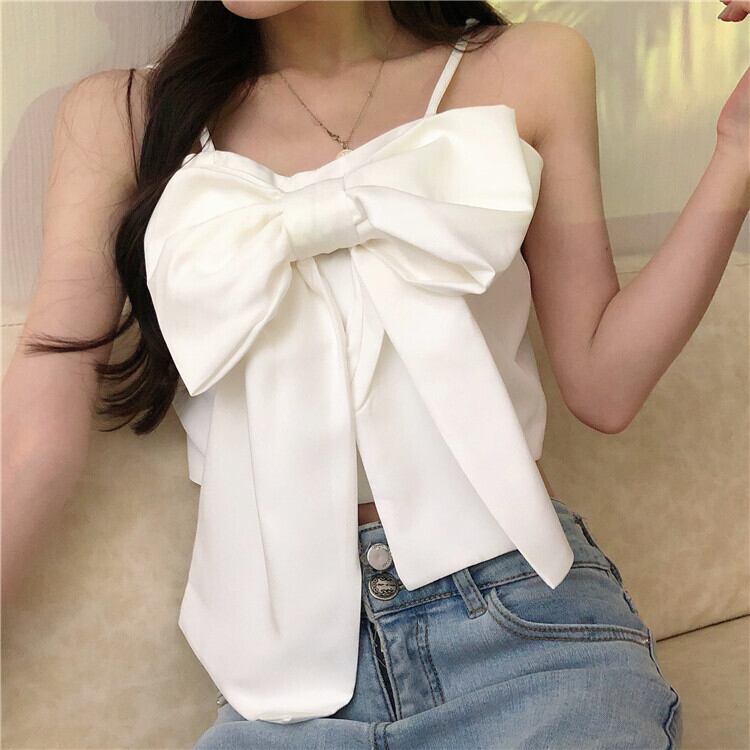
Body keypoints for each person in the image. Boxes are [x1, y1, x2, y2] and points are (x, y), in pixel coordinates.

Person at [3, 1, 748, 747]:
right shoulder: (120, 118)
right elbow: (33, 442)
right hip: (283, 691)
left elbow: (604, 386)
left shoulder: (531, 67)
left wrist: (738, 149)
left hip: (525, 631)